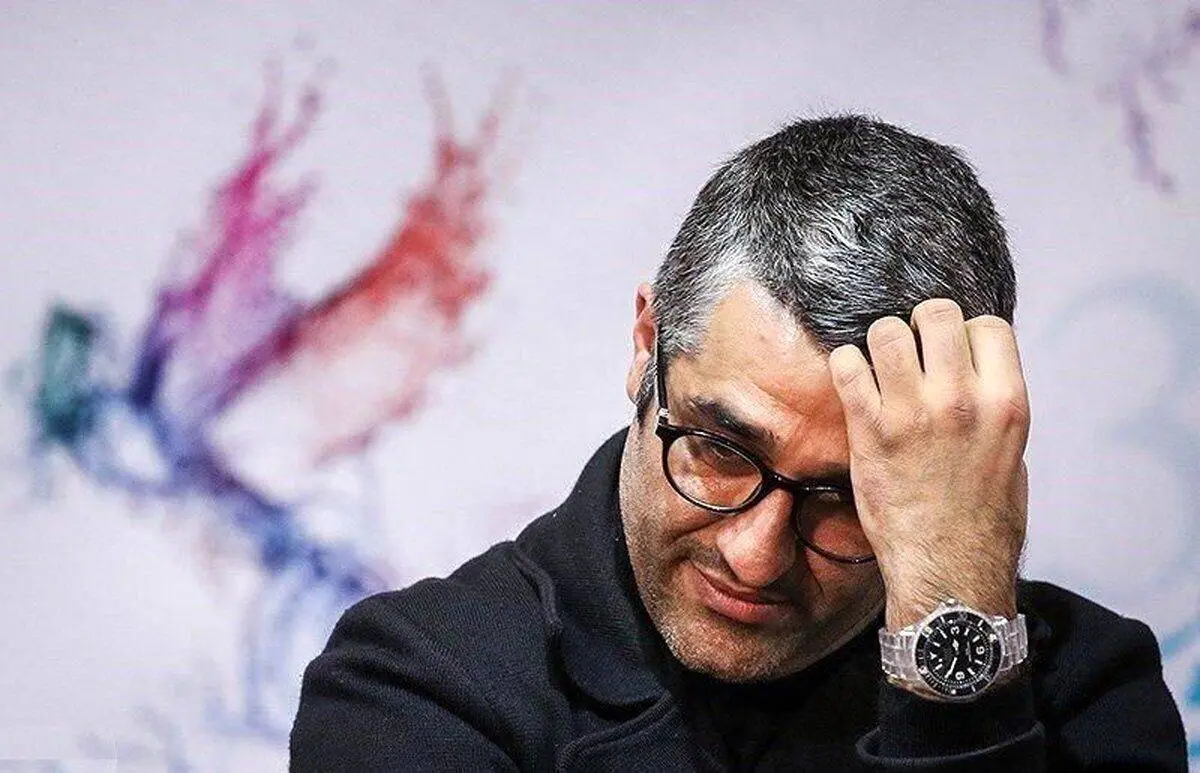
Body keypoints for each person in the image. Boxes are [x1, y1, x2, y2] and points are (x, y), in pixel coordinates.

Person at [289, 116, 1188, 771]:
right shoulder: (416, 686)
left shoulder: (1085, 692)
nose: (756, 557)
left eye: (846, 496)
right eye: (721, 449)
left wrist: (955, 647)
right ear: (647, 346)